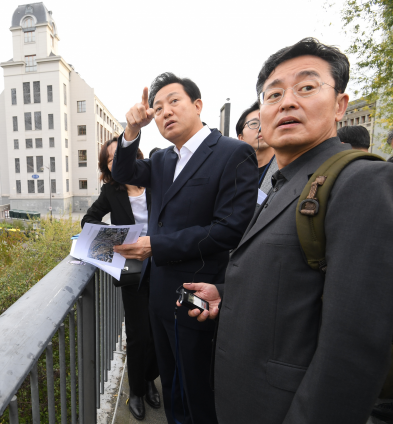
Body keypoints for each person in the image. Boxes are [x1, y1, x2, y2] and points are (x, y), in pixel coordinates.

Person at [182, 37, 393, 424]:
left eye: (307, 87)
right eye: (273, 94)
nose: (287, 102)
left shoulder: (360, 182)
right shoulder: (285, 182)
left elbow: (353, 350)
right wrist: (226, 295)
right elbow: (295, 284)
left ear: (340, 106)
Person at [111, 73, 257, 424]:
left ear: (197, 105)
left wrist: (156, 245)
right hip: (159, 293)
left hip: (200, 291)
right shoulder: (162, 158)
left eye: (173, 102)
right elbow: (121, 171)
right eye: (157, 108)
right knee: (173, 380)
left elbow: (229, 229)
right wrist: (132, 132)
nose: (165, 112)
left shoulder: (233, 153)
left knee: (198, 388)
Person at [81, 138, 160, 421]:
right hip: (134, 273)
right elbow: (88, 220)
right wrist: (118, 236)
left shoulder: (155, 180)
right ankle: (137, 391)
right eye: (111, 159)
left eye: (121, 155)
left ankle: (151, 378)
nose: (117, 162)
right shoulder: (110, 191)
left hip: (164, 265)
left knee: (158, 332)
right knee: (139, 335)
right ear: (108, 168)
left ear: (134, 156)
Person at [235, 101, 278, 195]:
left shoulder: (285, 167)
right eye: (254, 123)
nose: (260, 128)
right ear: (241, 138)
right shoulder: (234, 172)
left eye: (265, 122)